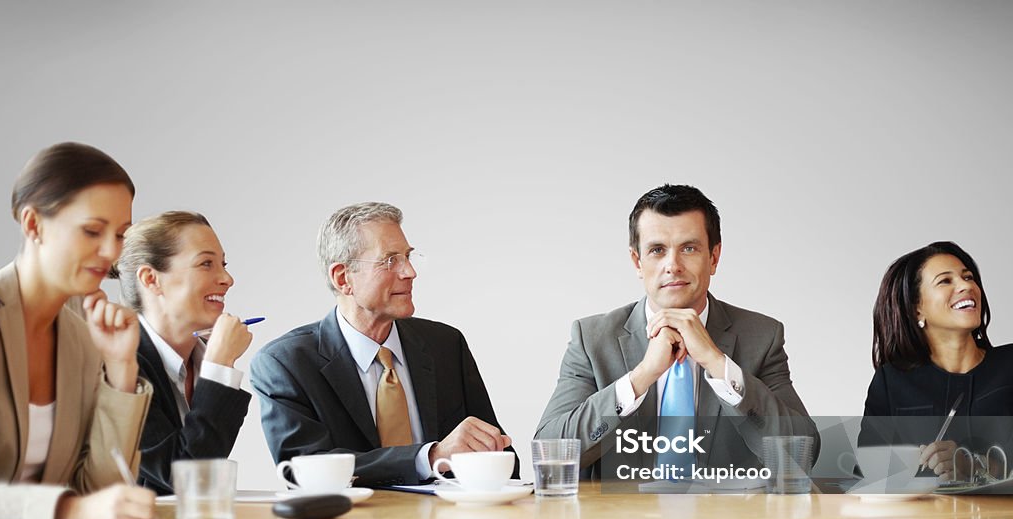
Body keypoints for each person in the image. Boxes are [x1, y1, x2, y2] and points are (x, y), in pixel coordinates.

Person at [536, 184, 813, 479]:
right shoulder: (592, 339)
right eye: (657, 250)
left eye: (689, 248)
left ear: (714, 257)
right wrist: (641, 377)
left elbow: (801, 455)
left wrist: (718, 364)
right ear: (637, 262)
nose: (673, 266)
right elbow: (549, 453)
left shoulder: (762, 336)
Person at [250, 202, 515, 487]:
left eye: (408, 257)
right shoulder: (285, 363)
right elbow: (303, 468)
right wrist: (431, 456)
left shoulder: (446, 345)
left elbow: (500, 456)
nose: (410, 272)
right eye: (391, 260)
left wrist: (486, 455)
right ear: (343, 278)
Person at [0, 142, 155, 519]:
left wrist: (120, 369)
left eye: (120, 235)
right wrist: (66, 513)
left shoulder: (83, 339)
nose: (110, 251)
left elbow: (98, 491)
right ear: (33, 225)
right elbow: (79, 510)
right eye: (92, 231)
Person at [111, 211, 253, 495]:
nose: (227, 278)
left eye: (223, 264)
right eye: (206, 264)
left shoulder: (201, 360)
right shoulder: (117, 364)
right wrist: (220, 367)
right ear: (151, 279)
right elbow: (187, 477)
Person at [860, 241, 1013, 482]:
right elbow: (868, 474)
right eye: (945, 281)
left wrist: (977, 468)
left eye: (969, 277)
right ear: (917, 309)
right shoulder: (891, 381)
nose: (966, 286)